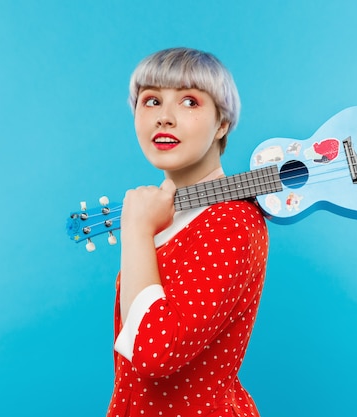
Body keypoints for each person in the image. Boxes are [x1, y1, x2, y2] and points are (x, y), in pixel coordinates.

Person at [106, 47, 269, 417]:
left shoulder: (232, 222)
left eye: (190, 102)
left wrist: (136, 230)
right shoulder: (168, 214)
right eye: (150, 101)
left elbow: (153, 352)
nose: (164, 118)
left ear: (222, 124)